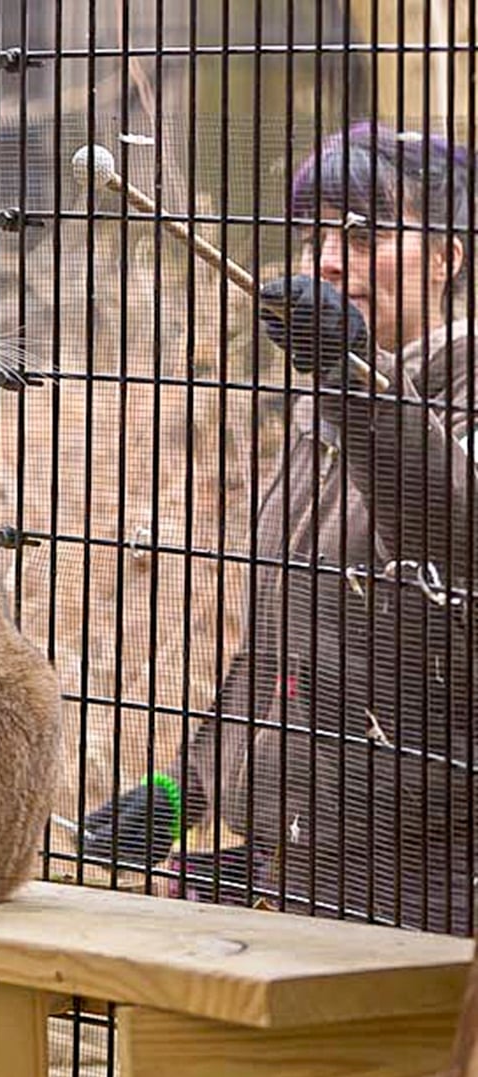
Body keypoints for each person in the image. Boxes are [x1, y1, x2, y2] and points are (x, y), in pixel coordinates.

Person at [85, 123, 478, 934]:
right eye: (316, 235)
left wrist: (347, 379)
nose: (329, 259)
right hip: (298, 871)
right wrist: (183, 792)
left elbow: (454, 529)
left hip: (425, 896)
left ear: (447, 257)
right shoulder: (318, 411)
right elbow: (292, 647)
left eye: (366, 233)